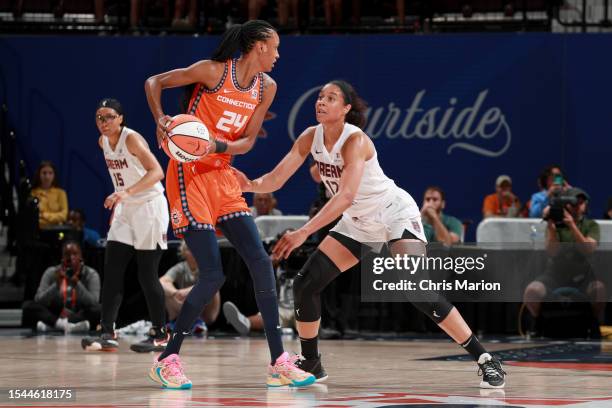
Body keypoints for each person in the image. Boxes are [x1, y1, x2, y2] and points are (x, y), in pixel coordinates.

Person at [233, 80, 506, 388]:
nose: (321, 102)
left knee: (416, 287)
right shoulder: (311, 136)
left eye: (331, 98)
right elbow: (275, 178)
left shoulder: (355, 140)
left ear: (346, 109)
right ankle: (311, 362)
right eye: (320, 96)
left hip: (392, 212)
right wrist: (248, 184)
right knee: (305, 284)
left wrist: (304, 231)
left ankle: (485, 359)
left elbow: (346, 196)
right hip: (358, 222)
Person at [144, 20, 314, 389]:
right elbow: (153, 82)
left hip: (222, 175)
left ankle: (278, 361)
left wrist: (216, 147)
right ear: (256, 46)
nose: (279, 55)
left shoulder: (266, 87)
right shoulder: (213, 71)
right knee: (213, 274)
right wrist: (161, 121)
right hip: (188, 176)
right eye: (275, 47)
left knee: (260, 260)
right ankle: (167, 358)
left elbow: (248, 141)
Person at [81, 98, 170, 354]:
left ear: (120, 118)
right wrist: (122, 199)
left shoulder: (132, 139)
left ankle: (160, 334)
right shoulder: (102, 142)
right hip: (126, 208)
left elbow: (157, 172)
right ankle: (107, 331)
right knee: (113, 272)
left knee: (146, 273)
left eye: (109, 116)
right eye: (99, 117)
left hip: (149, 206)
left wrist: (124, 194)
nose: (104, 122)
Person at [523, 187, 605, 323]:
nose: (578, 206)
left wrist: (572, 226)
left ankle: (593, 325)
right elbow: (551, 252)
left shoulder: (591, 225)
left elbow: (588, 249)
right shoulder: (556, 223)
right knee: (532, 291)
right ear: (566, 205)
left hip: (583, 274)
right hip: (555, 273)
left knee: (599, 290)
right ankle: (537, 326)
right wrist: (552, 229)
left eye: (582, 202)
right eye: (574, 202)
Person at [22, 241, 100, 333]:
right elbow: (39, 300)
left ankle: (54, 326)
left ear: (81, 257)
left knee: (100, 309)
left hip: (79, 314)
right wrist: (56, 285)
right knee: (28, 306)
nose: (71, 258)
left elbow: (93, 302)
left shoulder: (91, 274)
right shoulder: (51, 272)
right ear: (62, 257)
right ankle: (65, 325)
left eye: (75, 254)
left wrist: (77, 284)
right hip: (55, 314)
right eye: (67, 254)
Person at [160, 241, 221, 334]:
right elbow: (162, 281)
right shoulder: (181, 267)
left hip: (206, 313)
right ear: (184, 252)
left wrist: (186, 291)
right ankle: (176, 322)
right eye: (189, 249)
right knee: (165, 290)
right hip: (183, 307)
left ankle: (198, 322)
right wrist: (174, 292)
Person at [31, 160, 68, 228]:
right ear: (39, 174)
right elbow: (32, 217)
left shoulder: (61, 193)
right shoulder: (32, 193)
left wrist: (44, 215)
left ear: (54, 175)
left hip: (56, 230)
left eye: (50, 173)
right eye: (44, 173)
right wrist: (55, 218)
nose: (47, 177)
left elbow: (64, 215)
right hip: (37, 230)